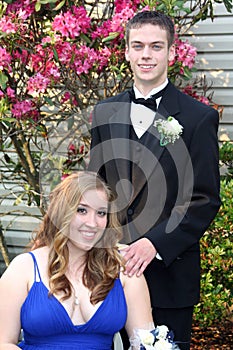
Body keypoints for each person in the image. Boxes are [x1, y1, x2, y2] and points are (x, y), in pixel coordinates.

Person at [88, 10, 221, 350]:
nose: (146, 54)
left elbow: (204, 199)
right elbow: (96, 189)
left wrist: (155, 244)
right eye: (138, 46)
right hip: (109, 273)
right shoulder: (105, 112)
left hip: (169, 277)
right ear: (128, 52)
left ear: (171, 53)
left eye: (156, 46)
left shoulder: (197, 118)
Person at [0, 171, 156, 350]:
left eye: (101, 213)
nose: (92, 223)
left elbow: (146, 342)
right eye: (82, 210)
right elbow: (3, 342)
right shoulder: (24, 268)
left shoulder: (124, 267)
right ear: (61, 213)